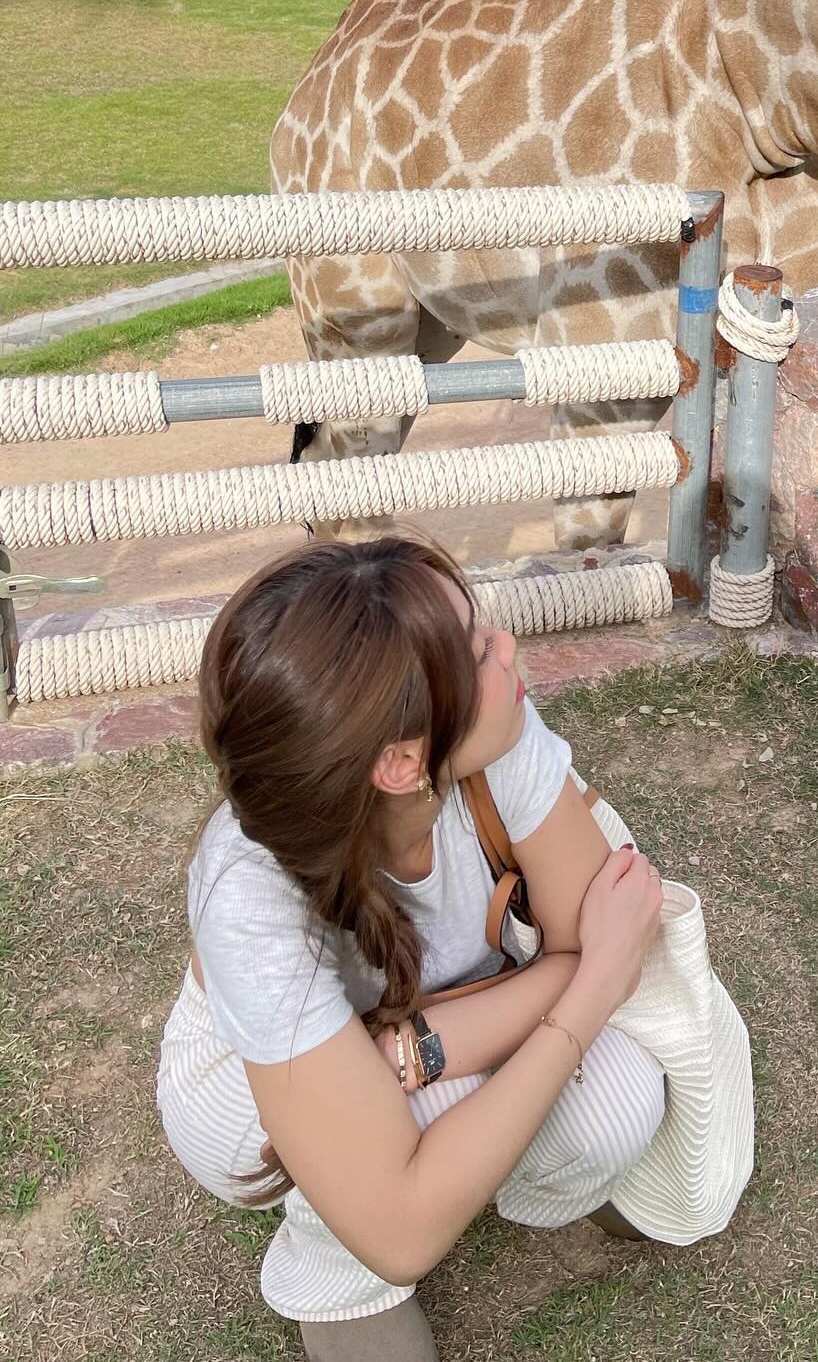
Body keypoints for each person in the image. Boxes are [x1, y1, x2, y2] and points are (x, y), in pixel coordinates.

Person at [157, 536, 669, 1361]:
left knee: (624, 1097)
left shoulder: (495, 727)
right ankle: (338, 1279)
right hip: (243, 1090)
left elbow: (578, 945)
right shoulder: (246, 893)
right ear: (400, 762)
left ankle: (465, 1166)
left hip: (454, 1016)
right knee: (387, 1197)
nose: (506, 651)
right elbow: (590, 963)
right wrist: (589, 996)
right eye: (476, 650)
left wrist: (415, 1047)